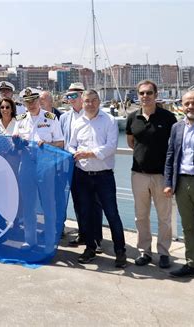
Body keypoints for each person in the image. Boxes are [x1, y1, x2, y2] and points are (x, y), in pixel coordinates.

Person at [68, 90, 127, 268]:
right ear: (82, 102)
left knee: (112, 214)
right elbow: (71, 145)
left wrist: (89, 153)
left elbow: (111, 146)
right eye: (87, 101)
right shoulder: (77, 123)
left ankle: (120, 251)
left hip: (104, 177)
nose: (90, 104)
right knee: (86, 214)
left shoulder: (109, 120)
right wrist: (74, 153)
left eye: (94, 101)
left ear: (99, 101)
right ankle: (90, 248)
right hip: (83, 175)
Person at [126, 80, 177, 268]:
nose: (145, 96)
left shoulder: (168, 117)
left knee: (164, 217)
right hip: (138, 174)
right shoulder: (132, 118)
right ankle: (144, 252)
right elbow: (131, 142)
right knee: (141, 216)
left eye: (149, 93)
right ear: (138, 96)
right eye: (141, 93)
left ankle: (163, 253)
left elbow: (174, 145)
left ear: (156, 95)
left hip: (162, 175)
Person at [13, 87, 64, 251]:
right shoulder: (20, 119)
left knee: (48, 205)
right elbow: (14, 142)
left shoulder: (50, 118)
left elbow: (61, 143)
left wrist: (47, 145)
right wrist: (16, 143)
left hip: (45, 165)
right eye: (27, 101)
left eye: (34, 100)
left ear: (39, 101)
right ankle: (30, 240)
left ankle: (50, 242)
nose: (31, 104)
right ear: (24, 103)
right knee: (28, 205)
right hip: (26, 163)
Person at [164, 91, 194, 280]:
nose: (190, 106)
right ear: (182, 105)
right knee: (188, 227)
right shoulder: (176, 127)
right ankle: (192, 265)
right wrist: (168, 183)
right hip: (181, 182)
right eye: (187, 103)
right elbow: (170, 156)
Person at [60, 82, 103, 251]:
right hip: (72, 167)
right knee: (78, 202)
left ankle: (97, 238)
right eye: (68, 96)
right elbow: (63, 141)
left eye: (74, 95)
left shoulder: (93, 115)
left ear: (82, 96)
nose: (70, 99)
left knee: (95, 204)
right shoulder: (64, 117)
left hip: (92, 166)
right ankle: (84, 233)